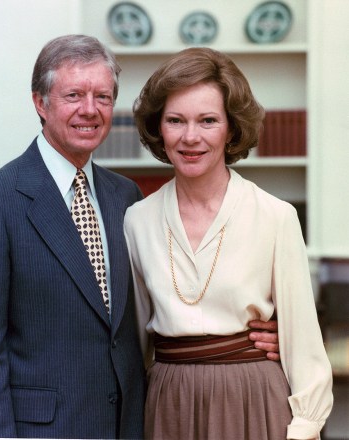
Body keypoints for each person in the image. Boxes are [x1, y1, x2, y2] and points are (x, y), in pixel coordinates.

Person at [0, 35, 279, 438]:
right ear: (40, 102)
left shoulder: (127, 198)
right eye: (74, 95)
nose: (90, 110)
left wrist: (252, 339)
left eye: (102, 96)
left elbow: (163, 305)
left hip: (130, 424)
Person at [124, 47, 333, 440]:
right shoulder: (137, 221)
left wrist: (304, 429)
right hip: (170, 403)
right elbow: (134, 345)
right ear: (159, 128)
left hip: (253, 398)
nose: (190, 137)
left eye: (208, 121)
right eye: (175, 120)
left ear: (231, 128)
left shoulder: (276, 216)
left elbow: (305, 347)